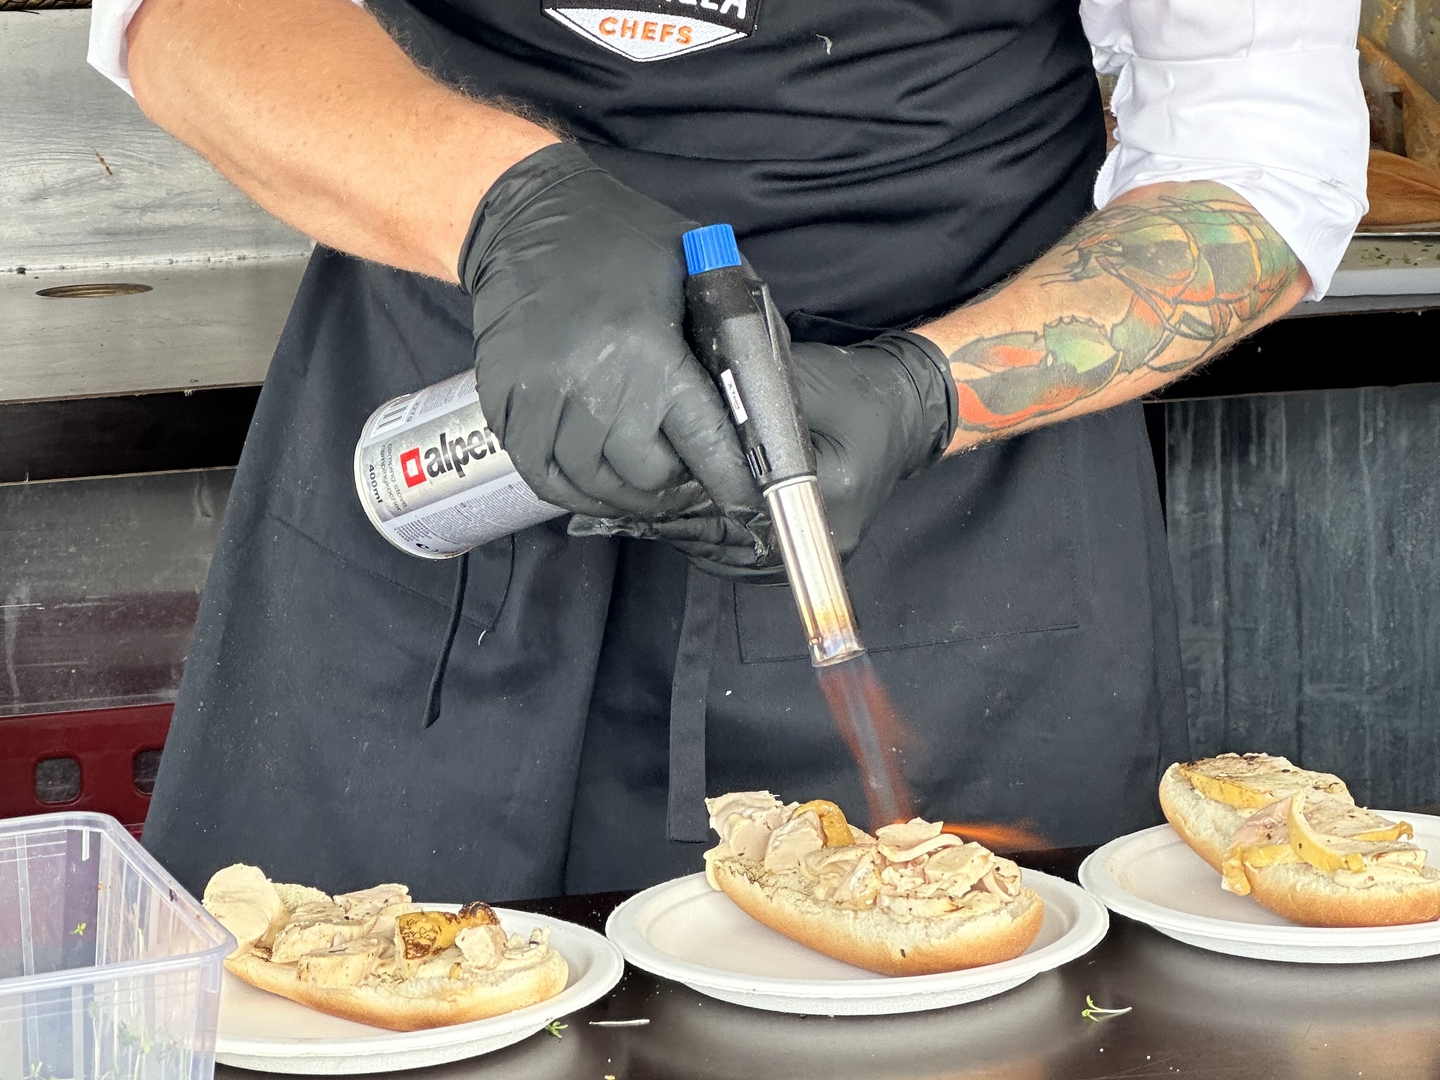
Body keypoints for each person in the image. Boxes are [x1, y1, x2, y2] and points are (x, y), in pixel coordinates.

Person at [88, 0, 1367, 902]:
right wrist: (503, 205)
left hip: (947, 523)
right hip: (443, 474)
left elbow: (1254, 160)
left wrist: (927, 394)